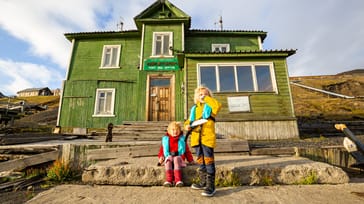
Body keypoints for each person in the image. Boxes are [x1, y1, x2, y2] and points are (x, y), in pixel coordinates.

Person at [184, 86, 222, 197]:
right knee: (201, 160)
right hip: (196, 139)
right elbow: (189, 121)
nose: (203, 96)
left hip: (207, 138)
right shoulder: (194, 109)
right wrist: (187, 126)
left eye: (205, 94)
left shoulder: (211, 107)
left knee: (209, 161)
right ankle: (203, 181)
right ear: (196, 97)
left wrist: (207, 99)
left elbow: (218, 105)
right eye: (200, 95)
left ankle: (211, 186)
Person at [158, 121, 194, 187]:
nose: (175, 131)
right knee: (168, 159)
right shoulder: (166, 140)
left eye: (177, 129)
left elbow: (187, 151)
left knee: (176, 158)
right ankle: (169, 180)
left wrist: (190, 160)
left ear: (180, 131)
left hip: (179, 159)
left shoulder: (182, 140)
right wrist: (161, 158)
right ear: (169, 131)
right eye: (173, 130)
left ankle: (178, 180)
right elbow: (162, 151)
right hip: (170, 159)